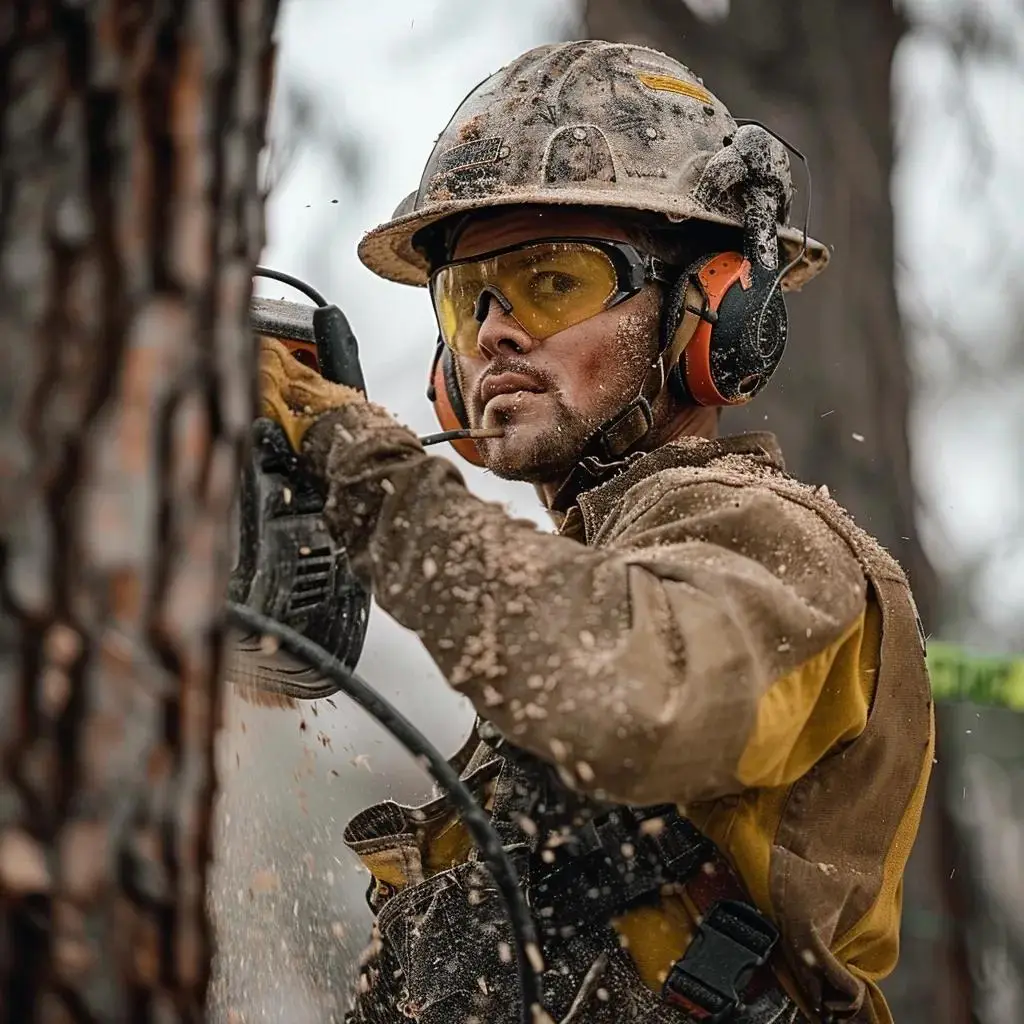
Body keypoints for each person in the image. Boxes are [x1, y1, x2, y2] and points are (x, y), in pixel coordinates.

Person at [258, 40, 934, 1024]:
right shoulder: (592, 574)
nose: (493, 330)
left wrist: (362, 463)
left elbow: (624, 698)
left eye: (552, 280)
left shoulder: (766, 536)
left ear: (712, 312)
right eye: (468, 298)